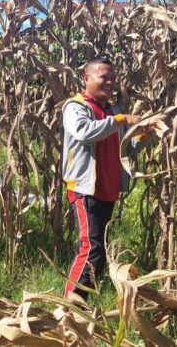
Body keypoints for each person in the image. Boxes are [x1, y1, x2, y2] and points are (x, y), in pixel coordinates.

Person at [61, 56, 148, 301]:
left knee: (98, 251)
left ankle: (82, 302)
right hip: (85, 188)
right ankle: (70, 304)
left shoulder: (113, 110)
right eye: (103, 77)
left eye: (112, 77)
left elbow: (125, 148)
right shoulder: (75, 107)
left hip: (108, 189)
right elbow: (84, 132)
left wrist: (141, 136)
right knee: (91, 248)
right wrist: (121, 120)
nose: (110, 82)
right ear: (86, 78)